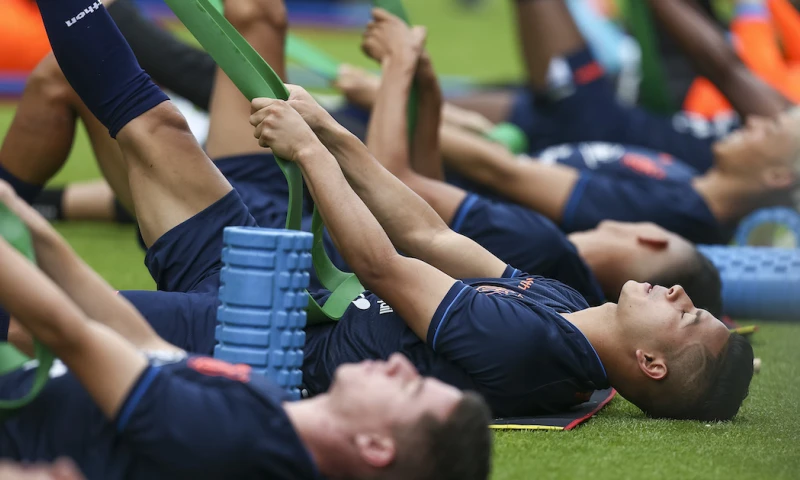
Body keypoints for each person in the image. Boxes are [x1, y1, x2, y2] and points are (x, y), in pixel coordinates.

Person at [4, 0, 752, 422]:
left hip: (262, 340)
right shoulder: (563, 307)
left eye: (686, 317)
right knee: (158, 128)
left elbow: (383, 266)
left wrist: (316, 151)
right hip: (280, 283)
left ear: (650, 364)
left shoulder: (534, 350)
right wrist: (329, 132)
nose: (685, 296)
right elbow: (425, 231)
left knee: (36, 314)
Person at [0, 181, 491, 480]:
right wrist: (27, 222)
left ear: (375, 448)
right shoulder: (273, 416)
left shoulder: (238, 441)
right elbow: (141, 340)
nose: (402, 364)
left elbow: (72, 334)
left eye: (408, 387)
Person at [425, 0, 800, 245]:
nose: (753, 124)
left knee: (412, 109)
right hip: (589, 123)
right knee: (410, 104)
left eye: (769, 128)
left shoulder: (689, 201)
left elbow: (719, 62)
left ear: (779, 176)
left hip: (591, 119)